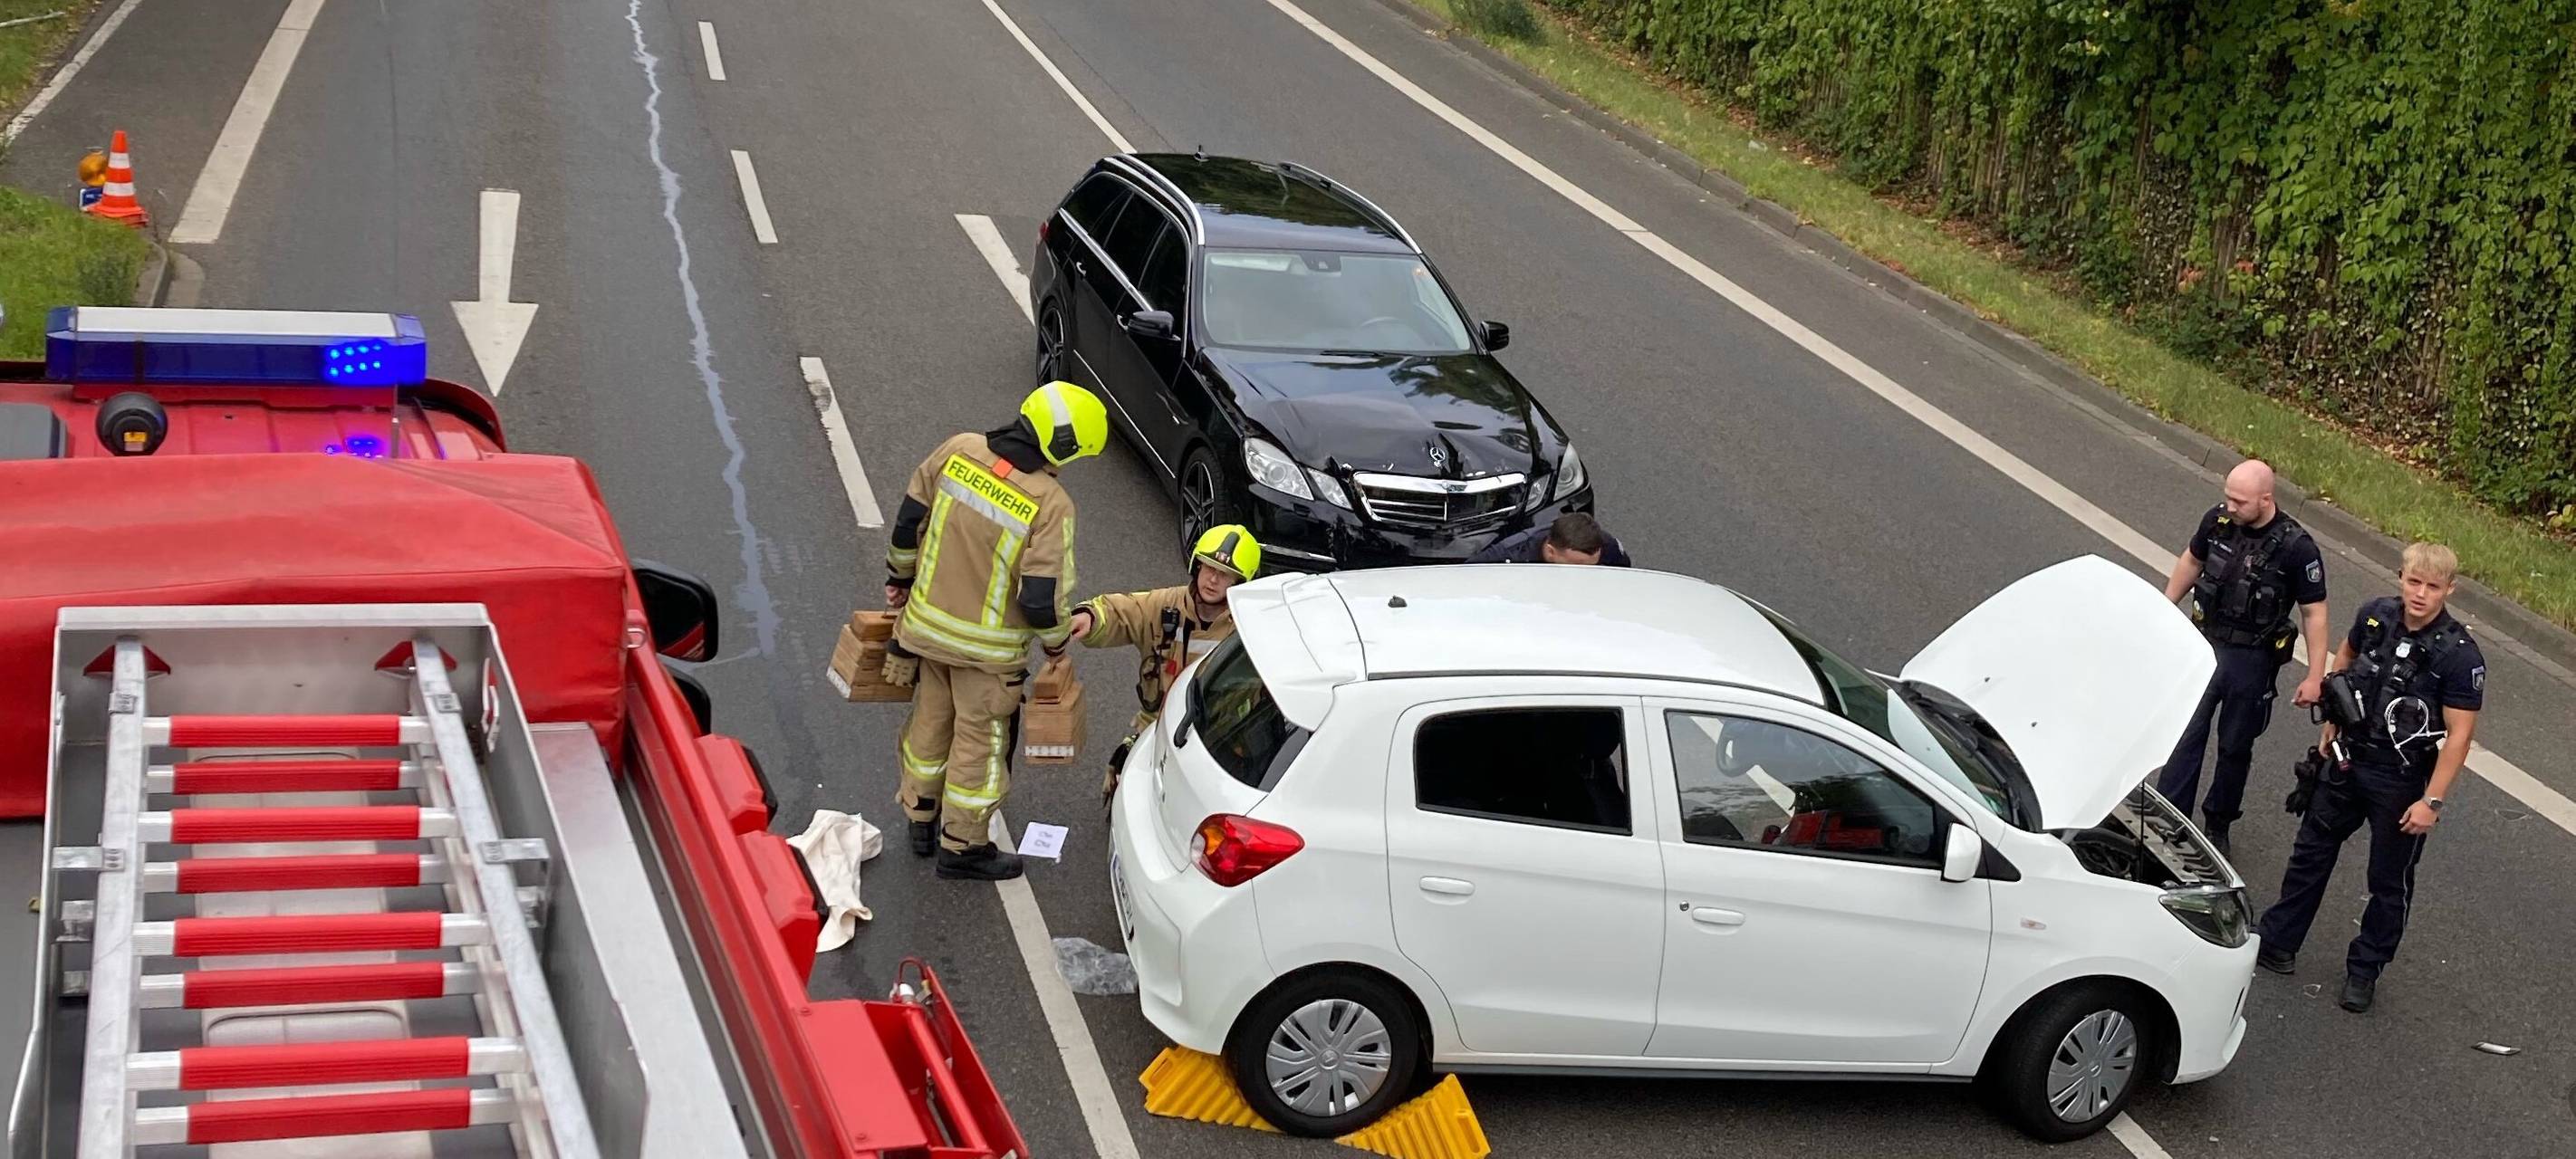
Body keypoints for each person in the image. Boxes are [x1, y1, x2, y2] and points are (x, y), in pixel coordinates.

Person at [882, 381, 1108, 881]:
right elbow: (1039, 598)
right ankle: (962, 846)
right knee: (979, 748)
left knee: (929, 725)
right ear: (1064, 445)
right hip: (986, 657)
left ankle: (920, 817)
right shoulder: (1051, 503)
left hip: (924, 631)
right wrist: (1054, 645)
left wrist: (899, 579)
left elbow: (907, 523)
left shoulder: (958, 450)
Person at [2253, 542, 2484, 1013]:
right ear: (2401, 578)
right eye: (2413, 582)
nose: (2420, 594)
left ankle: (2365, 971)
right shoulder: (2376, 615)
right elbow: (2346, 660)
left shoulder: (2460, 655)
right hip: (2347, 760)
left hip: (2400, 780)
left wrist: (2432, 803)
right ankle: (2278, 941)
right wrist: (2331, 723)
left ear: (2449, 590)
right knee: (2310, 853)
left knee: (2388, 880)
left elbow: (2459, 737)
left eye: (2433, 586)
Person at [2156, 459, 2329, 854]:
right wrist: (2164, 609)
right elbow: (2192, 560)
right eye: (2227, 497)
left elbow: (2314, 612)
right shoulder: (2217, 522)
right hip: (2202, 646)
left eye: (2239, 501)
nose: (2229, 507)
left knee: (2235, 747)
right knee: (2186, 736)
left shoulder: (2295, 547)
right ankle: (2170, 818)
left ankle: (2218, 823)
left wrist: (2316, 675)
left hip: (2251, 660)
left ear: (2266, 499)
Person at [1065, 524, 1261, 809]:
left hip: (1214, 739)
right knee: (1126, 787)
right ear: (1196, 566)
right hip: (1155, 725)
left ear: (1240, 583)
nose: (1213, 580)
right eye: (1208, 568)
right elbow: (1124, 610)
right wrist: (1090, 617)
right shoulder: (1167, 605)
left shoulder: (1248, 628)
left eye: (1225, 575)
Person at [1465, 512, 1632, 567]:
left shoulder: (1607, 547)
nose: (1585, 574)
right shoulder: (1508, 556)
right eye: (1578, 566)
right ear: (1551, 552)